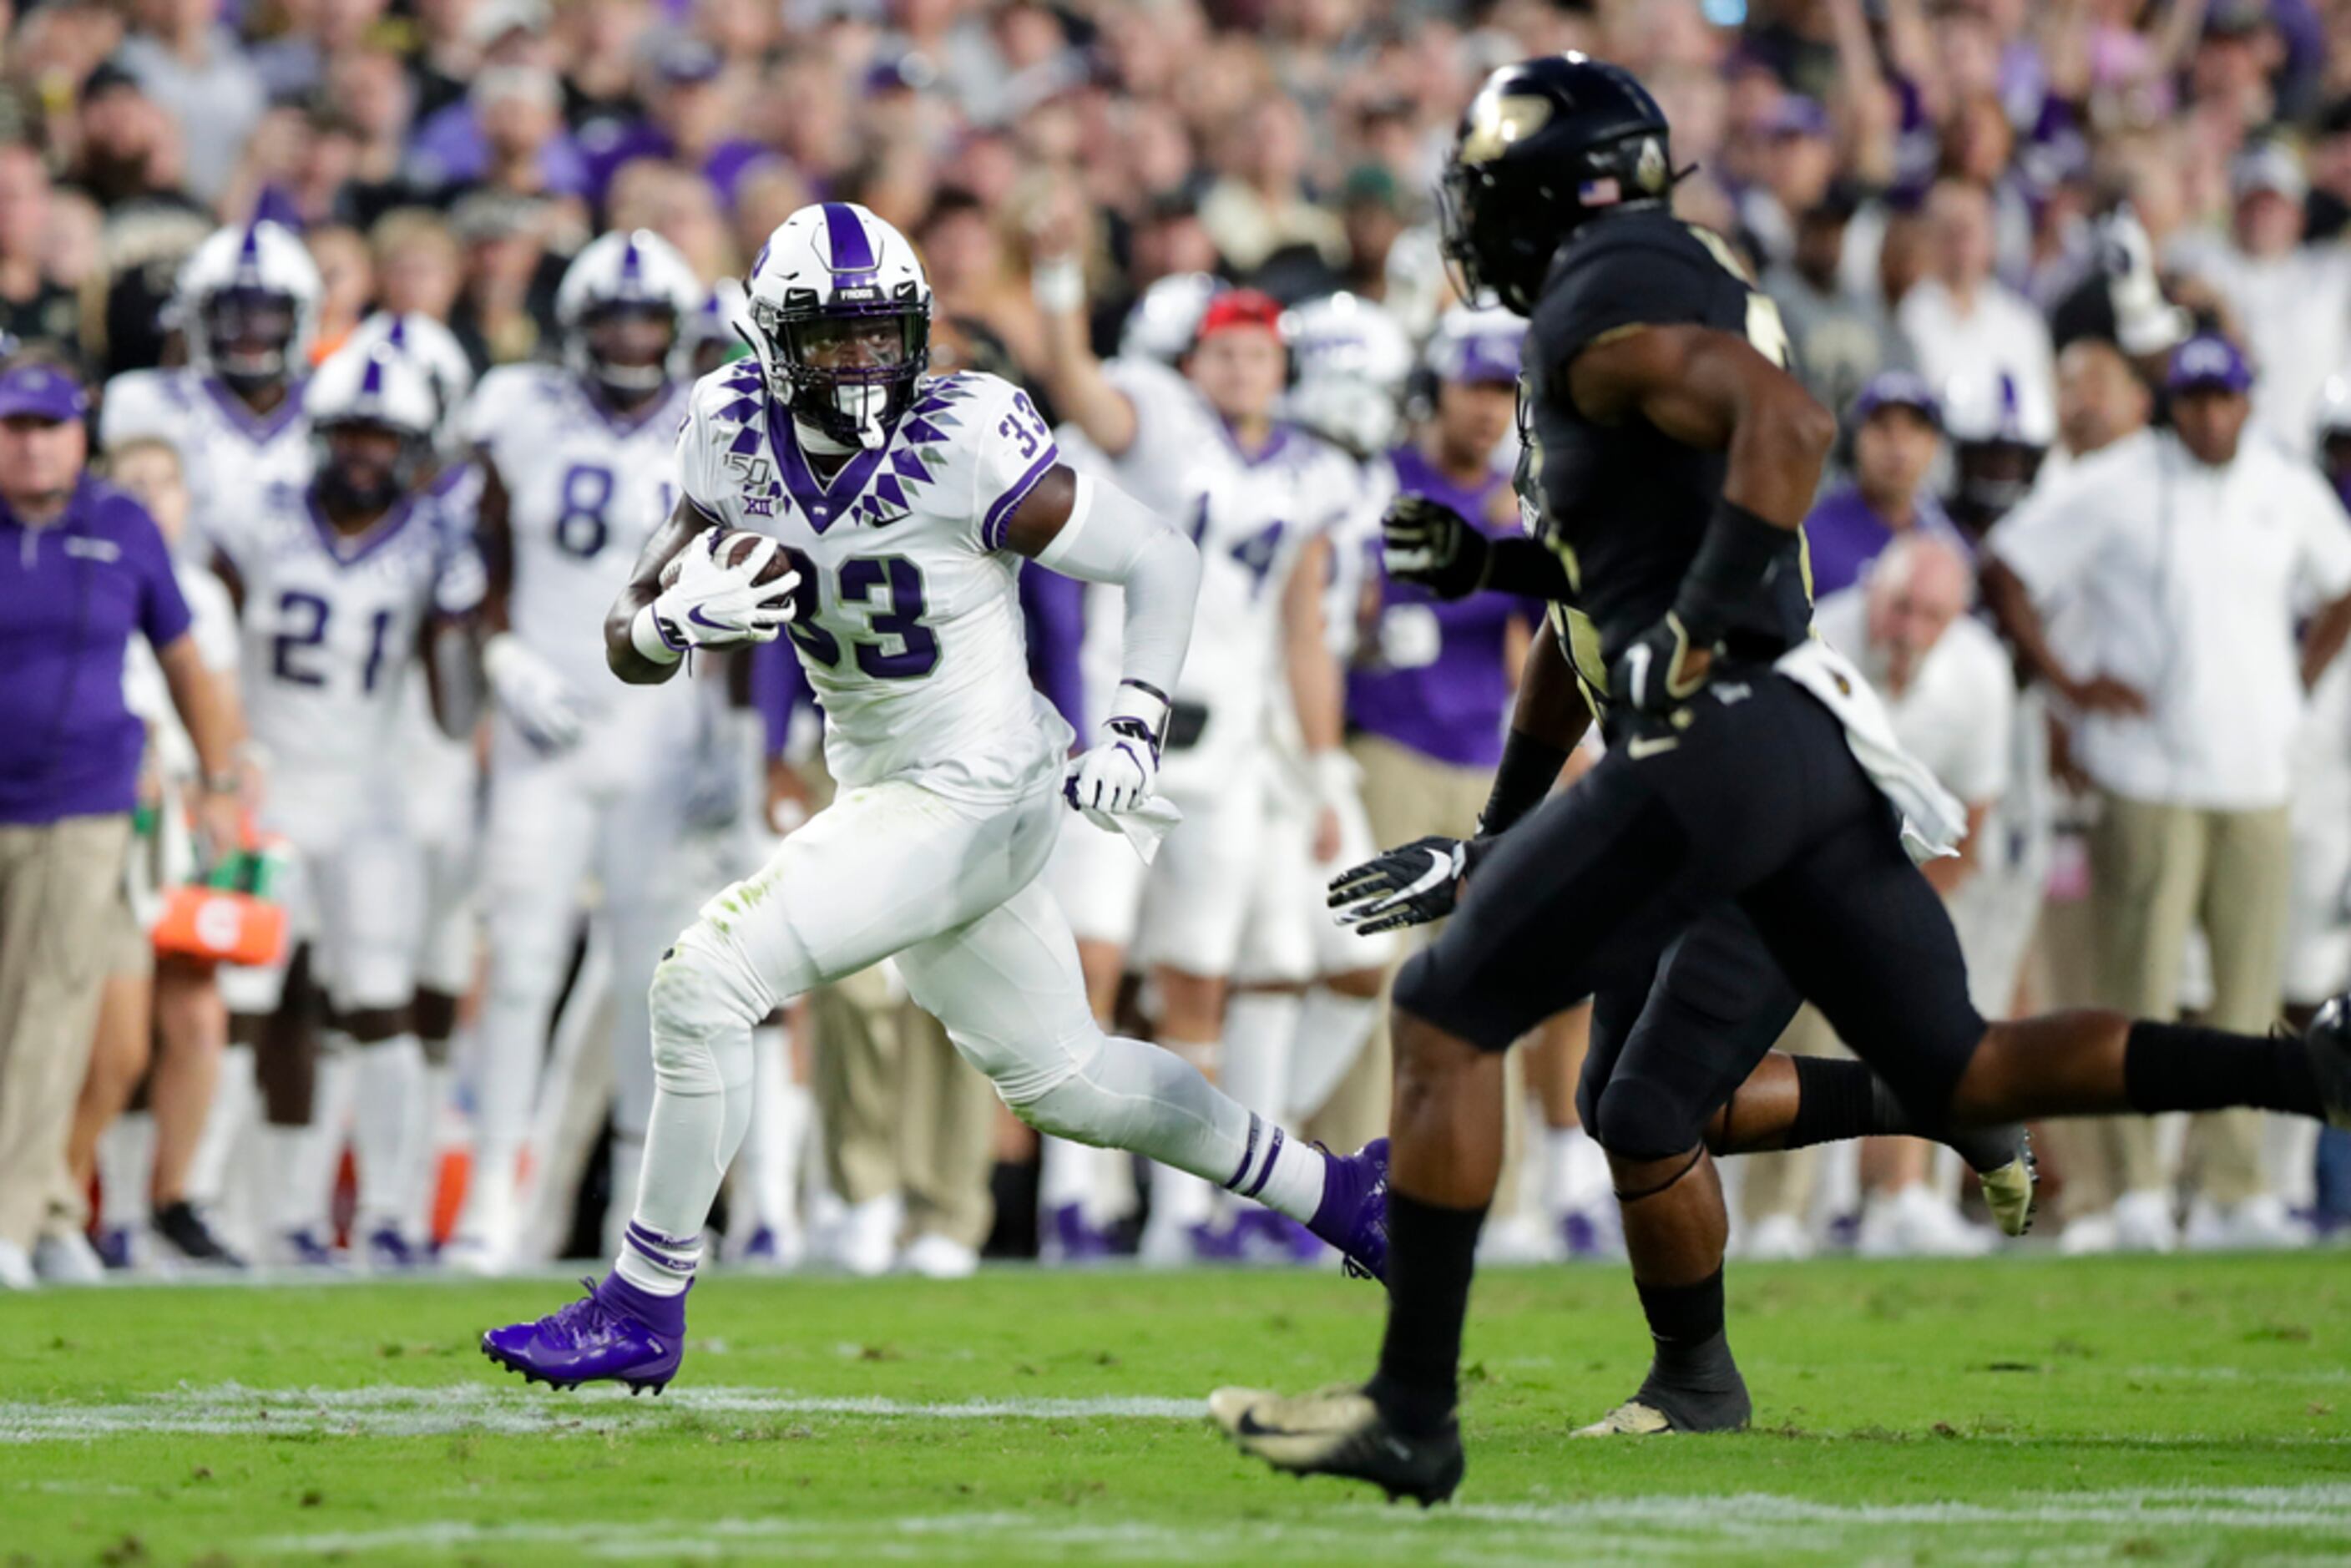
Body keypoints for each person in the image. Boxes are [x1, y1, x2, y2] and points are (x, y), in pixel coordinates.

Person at [1215, 55, 2351, 1503]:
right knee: (1966, 1067)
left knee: (1448, 1016)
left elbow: (1791, 427)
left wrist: (1689, 634)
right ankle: (2309, 1066)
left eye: (1495, 190)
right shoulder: (1647, 290)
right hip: (1792, 730)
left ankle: (1415, 1408)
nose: (1476, 217)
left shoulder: (1602, 297)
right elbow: (1578, 622)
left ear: (1560, 196)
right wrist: (1501, 790)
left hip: (1722, 738)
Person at [479, 202, 1389, 1392]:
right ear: (770, 340)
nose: (864, 361)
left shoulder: (966, 430)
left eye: (881, 334)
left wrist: (1134, 720)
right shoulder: (727, 431)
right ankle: (1345, 1194)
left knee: (703, 981)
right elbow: (624, 638)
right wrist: (662, 624)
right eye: (835, 337)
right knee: (1066, 1078)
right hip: (892, 787)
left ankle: (643, 1301)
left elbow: (1158, 554)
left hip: (975, 785)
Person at [1984, 333, 2351, 1252]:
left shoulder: (2281, 486)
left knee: (2247, 993)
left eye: (2222, 399)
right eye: (2190, 399)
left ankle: (2233, 1186)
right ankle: (2130, 1189)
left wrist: (2296, 677)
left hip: (2256, 775)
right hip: (2143, 772)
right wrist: (2069, 683)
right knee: (2135, 992)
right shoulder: (2114, 484)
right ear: (2168, 406)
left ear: (2245, 401)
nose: (2208, 415)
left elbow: (2342, 584)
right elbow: (2008, 565)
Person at [1031, 265, 1368, 1263]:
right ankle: (1073, 1197)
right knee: (1083, 967)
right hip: (1117, 728)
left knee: (1197, 984)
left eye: (1257, 354)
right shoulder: (1162, 428)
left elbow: (1303, 634)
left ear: (1281, 366)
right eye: (1223, 351)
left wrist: (1323, 773)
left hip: (1221, 753)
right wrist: (1059, 286)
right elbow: (1082, 387)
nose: (1240, 369)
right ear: (1194, 360)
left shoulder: (1315, 471)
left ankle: (1183, 1208)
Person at [442, 230, 711, 1275]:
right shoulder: (517, 408)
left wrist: (732, 737)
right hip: (543, 724)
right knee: (518, 968)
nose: (635, 338)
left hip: (662, 731)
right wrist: (501, 651)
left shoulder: (719, 420)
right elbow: (464, 542)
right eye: (616, 319)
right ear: (578, 327)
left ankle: (637, 1224)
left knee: (658, 980)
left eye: (650, 320)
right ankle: (489, 1209)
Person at [207, 345, 483, 1268]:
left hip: (368, 802)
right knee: (243, 1000)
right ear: (320, 437)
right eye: (351, 435)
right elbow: (205, 638)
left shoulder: (435, 539)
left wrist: (464, 626)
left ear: (412, 447)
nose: (366, 454)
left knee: (378, 1003)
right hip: (267, 787)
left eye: (384, 437)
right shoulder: (257, 517)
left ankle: (390, 1216)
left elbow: (453, 710)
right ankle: (217, 1206)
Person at [0, 358, 240, 1289]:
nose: (30, 444)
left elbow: (188, 663)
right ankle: (55, 1210)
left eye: (47, 426)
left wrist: (217, 780)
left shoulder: (119, 525)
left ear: (78, 435)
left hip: (88, 803)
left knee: (67, 1018)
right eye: (14, 426)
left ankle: (13, 1222)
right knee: (36, 1015)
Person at [99, 221, 321, 558]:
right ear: (196, 316)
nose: (250, 335)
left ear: (301, 317)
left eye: (268, 317)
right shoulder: (142, 401)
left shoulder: (332, 406)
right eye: (230, 317)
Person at [1800, 370, 1961, 599]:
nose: (1898, 447)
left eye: (1913, 430)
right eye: (1882, 428)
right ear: (1855, 439)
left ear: (1933, 444)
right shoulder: (1812, 535)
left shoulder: (1948, 541)